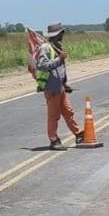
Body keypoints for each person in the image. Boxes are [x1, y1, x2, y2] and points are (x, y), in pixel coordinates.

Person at [35, 22, 84, 150]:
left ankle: (78, 133)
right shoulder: (45, 48)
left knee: (68, 112)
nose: (63, 35)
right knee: (54, 115)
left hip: (60, 86)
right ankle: (54, 140)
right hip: (51, 87)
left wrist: (65, 82)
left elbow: (61, 68)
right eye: (61, 32)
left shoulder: (57, 46)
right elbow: (42, 65)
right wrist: (59, 59)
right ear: (56, 34)